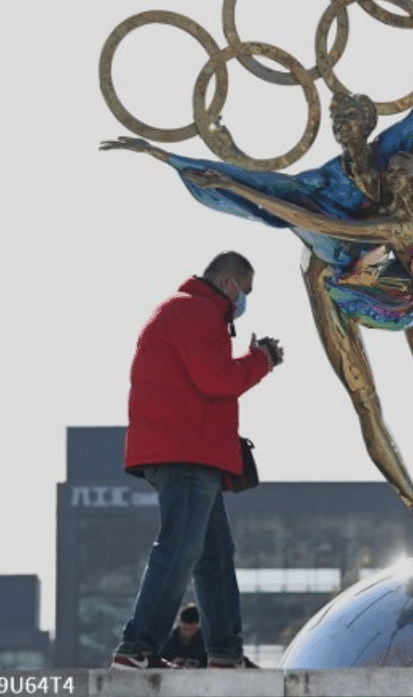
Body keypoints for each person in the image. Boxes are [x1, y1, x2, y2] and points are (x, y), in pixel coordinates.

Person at [104, 0, 413, 553]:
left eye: (354, 121)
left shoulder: (399, 157)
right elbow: (279, 203)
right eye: (338, 124)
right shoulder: (319, 183)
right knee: (365, 399)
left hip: (400, 281)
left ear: (369, 124)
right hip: (336, 283)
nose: (347, 131)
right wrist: (171, 159)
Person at [112, 251, 282, 669]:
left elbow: (204, 382)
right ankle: (137, 648)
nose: (245, 300)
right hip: (186, 454)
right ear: (228, 283)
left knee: (213, 557)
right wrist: (261, 360)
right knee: (179, 550)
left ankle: (225, 653)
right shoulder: (195, 311)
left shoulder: (187, 311)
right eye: (246, 290)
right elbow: (217, 380)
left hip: (191, 452)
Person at [158, 604, 207, 668]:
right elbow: (157, 661)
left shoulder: (205, 642)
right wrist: (171, 663)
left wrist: (198, 665)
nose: (188, 632)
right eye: (185, 628)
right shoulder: (165, 641)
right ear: (179, 625)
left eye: (192, 629)